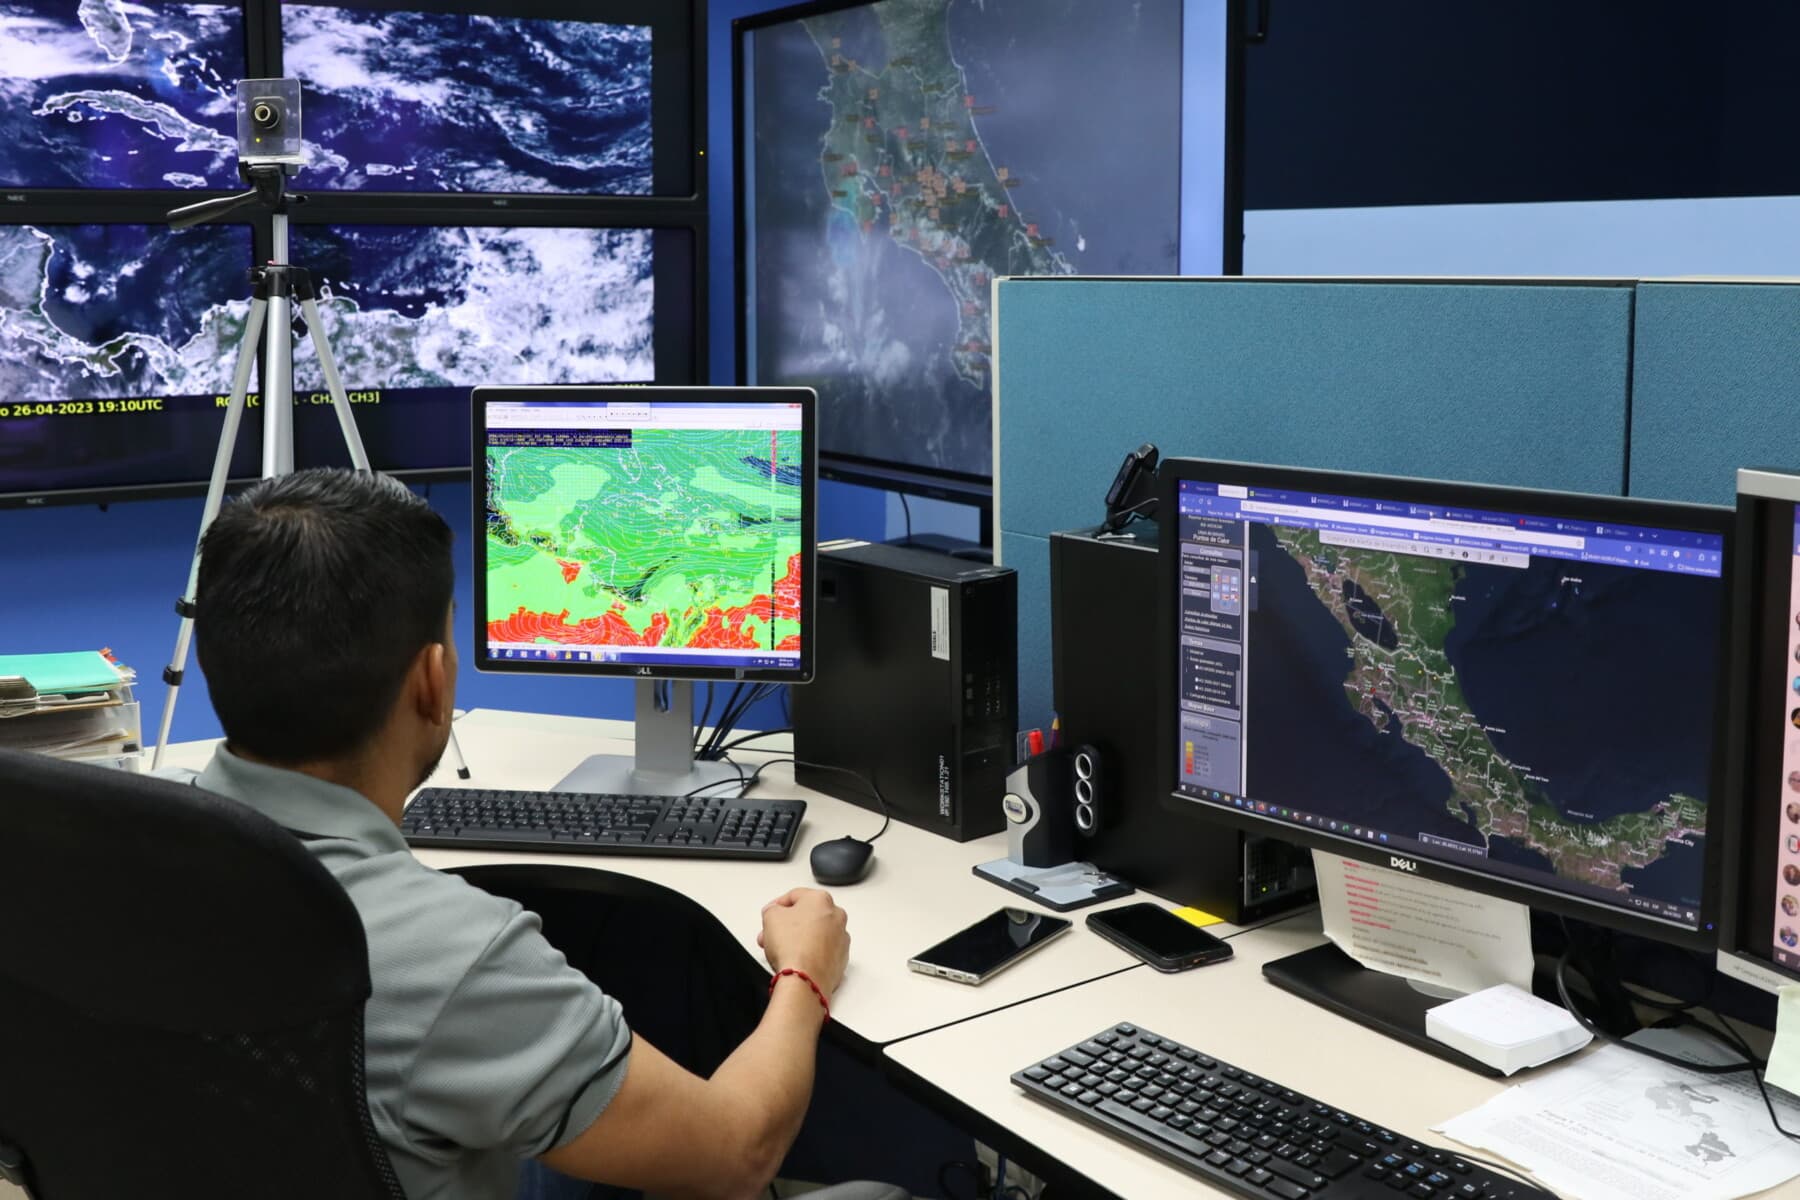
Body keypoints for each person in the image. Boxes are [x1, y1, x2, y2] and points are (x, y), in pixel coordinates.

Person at [180, 469, 852, 1200]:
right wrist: (804, 975)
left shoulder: (114, 864)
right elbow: (736, 1153)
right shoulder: (455, 955)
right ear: (432, 680)